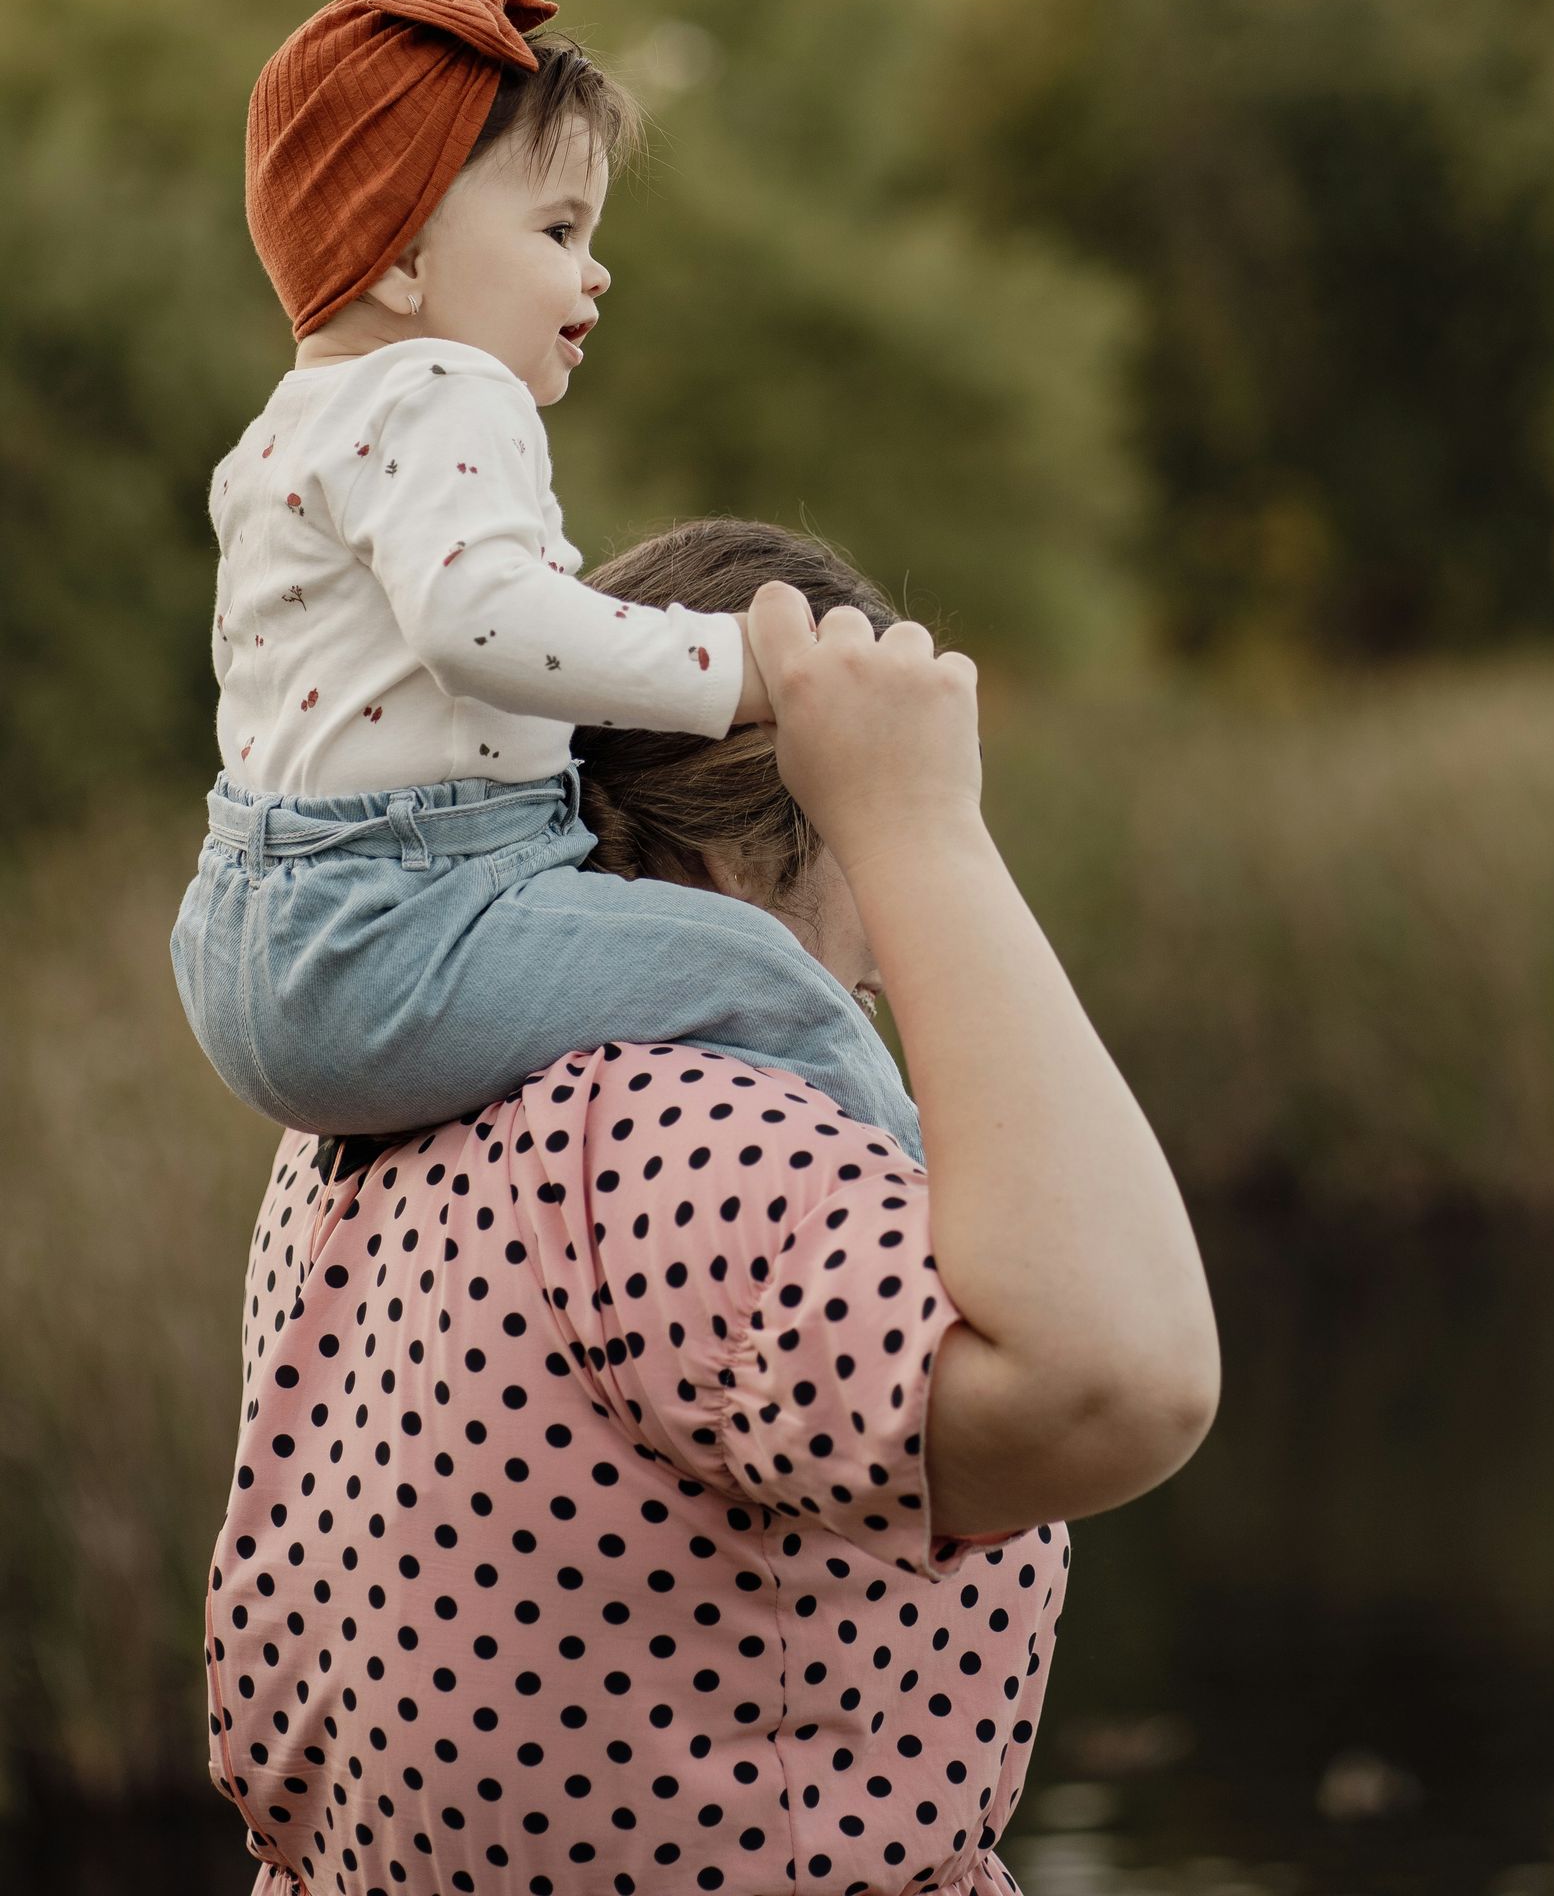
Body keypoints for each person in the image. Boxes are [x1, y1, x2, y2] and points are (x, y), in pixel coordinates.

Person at [204, 517, 1220, 1896]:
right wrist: (927, 829)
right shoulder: (675, 1134)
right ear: (742, 862)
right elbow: (1122, 1379)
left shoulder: (376, 1124)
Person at [170, 0, 919, 1165]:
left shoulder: (279, 437)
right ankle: (927, 1223)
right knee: (771, 979)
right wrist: (743, 668)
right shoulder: (449, 385)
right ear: (402, 258)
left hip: (248, 943)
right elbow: (482, 622)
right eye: (559, 227)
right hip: (407, 922)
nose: (596, 267)